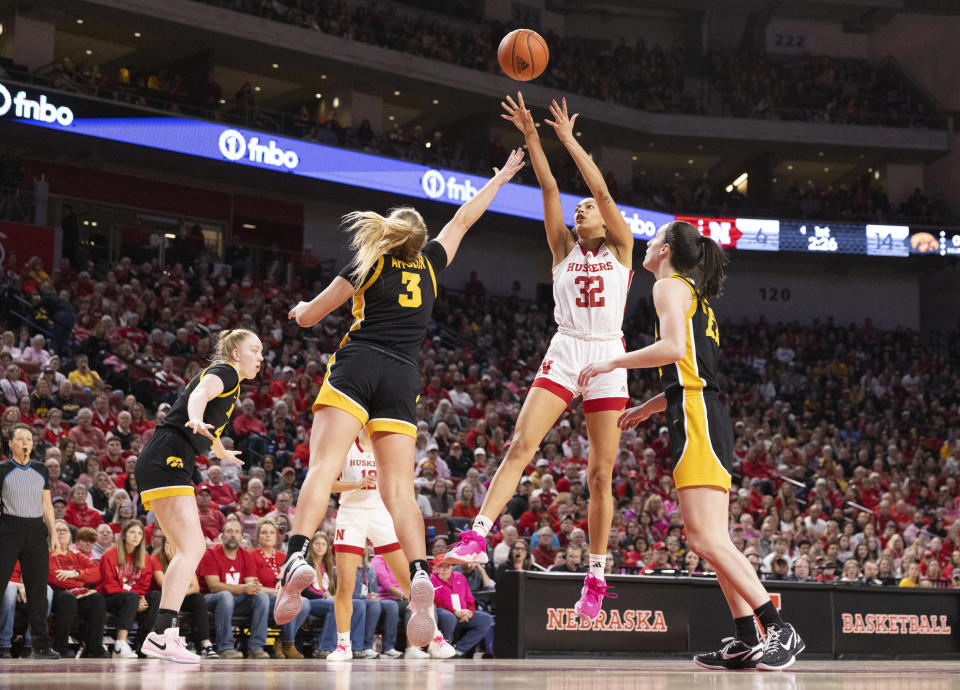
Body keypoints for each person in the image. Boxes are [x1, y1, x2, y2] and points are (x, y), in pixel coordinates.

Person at [274, 147, 525, 654]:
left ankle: (297, 555)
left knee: (322, 466)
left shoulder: (367, 261)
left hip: (359, 362)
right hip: (402, 375)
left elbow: (310, 317)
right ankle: (416, 573)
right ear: (421, 239)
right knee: (400, 491)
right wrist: (498, 179)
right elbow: (463, 218)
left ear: (388, 232)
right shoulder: (432, 262)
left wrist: (300, 308)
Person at [579, 220, 804, 671]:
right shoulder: (691, 294)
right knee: (711, 539)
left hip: (698, 416)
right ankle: (745, 637)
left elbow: (671, 347)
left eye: (653, 237)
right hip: (701, 410)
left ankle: (779, 628)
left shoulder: (669, 289)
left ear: (664, 251)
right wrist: (651, 406)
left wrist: (612, 360)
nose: (646, 242)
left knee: (704, 538)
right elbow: (692, 369)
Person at [444, 95, 633, 626]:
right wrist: (531, 134)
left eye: (589, 209)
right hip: (567, 346)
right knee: (521, 444)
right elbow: (550, 188)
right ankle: (478, 535)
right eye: (581, 210)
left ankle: (596, 575)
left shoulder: (622, 249)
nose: (582, 209)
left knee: (600, 475)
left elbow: (598, 187)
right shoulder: (562, 250)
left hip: (608, 354)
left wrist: (569, 138)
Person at [135, 328, 263, 663]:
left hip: (169, 458)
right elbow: (200, 396)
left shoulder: (231, 386)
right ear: (235, 353)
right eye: (255, 350)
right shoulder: (225, 373)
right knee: (193, 547)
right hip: (169, 456)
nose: (261, 357)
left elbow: (209, 422)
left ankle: (165, 634)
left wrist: (221, 450)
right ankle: (162, 635)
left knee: (184, 548)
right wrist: (194, 417)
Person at [327, 430, 454, 660]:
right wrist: (355, 483)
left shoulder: (387, 446)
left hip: (381, 514)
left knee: (410, 583)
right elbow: (327, 483)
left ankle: (435, 637)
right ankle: (343, 644)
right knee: (345, 584)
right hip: (351, 514)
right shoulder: (346, 443)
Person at [0, 423, 63, 659]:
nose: (27, 442)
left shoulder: (41, 469)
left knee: (37, 590)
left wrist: (53, 534)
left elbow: (47, 504)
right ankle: (2, 644)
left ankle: (40, 645)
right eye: (21, 439)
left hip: (36, 531)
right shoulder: (3, 470)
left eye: (29, 438)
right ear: (11, 444)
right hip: (8, 528)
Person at [197, 520, 270, 659]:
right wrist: (244, 588)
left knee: (261, 597)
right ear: (222, 536)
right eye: (229, 531)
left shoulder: (246, 556)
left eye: (237, 532)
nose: (233, 535)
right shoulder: (210, 554)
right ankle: (225, 647)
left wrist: (254, 587)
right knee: (225, 595)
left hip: (235, 601)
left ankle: (256, 648)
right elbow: (213, 586)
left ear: (242, 537)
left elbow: (251, 585)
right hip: (210, 600)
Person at [97, 520, 160, 658]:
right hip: (109, 598)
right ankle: (120, 645)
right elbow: (109, 585)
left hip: (132, 598)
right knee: (131, 597)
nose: (136, 536)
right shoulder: (110, 555)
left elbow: (144, 584)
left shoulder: (144, 557)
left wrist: (141, 598)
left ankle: (147, 644)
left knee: (156, 596)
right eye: (132, 532)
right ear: (124, 535)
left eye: (139, 533)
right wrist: (136, 597)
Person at [249, 517, 309, 659]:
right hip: (262, 600)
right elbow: (254, 587)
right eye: (264, 533)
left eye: (271, 533)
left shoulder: (283, 557)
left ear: (277, 537)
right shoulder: (251, 556)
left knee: (305, 603)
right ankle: (283, 643)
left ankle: (284, 642)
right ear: (258, 536)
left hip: (282, 598)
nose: (268, 535)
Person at [151, 534, 218, 658]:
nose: (171, 547)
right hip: (162, 601)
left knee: (198, 598)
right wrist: (173, 563)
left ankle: (206, 645)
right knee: (159, 595)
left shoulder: (185, 560)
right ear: (163, 545)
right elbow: (165, 585)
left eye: (174, 544)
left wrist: (178, 595)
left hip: (180, 597)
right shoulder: (156, 559)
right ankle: (162, 643)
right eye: (168, 543)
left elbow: (195, 587)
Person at [48, 519, 107, 657]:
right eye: (57, 530)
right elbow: (54, 578)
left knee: (97, 599)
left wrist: (75, 574)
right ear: (50, 534)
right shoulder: (46, 554)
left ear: (70, 536)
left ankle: (94, 648)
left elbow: (98, 572)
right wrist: (80, 581)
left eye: (65, 530)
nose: (61, 532)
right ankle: (61, 647)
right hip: (55, 593)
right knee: (67, 598)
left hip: (77, 593)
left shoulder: (75, 554)